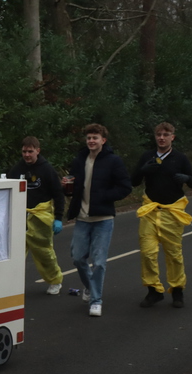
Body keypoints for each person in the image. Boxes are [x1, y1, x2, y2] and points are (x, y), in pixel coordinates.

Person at [66, 124, 132, 317]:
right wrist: (66, 187)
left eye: (95, 138)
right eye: (89, 138)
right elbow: (74, 185)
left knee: (99, 261)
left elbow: (125, 187)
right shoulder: (79, 159)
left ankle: (96, 301)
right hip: (82, 217)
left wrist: (105, 196)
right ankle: (90, 286)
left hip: (103, 218)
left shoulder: (113, 161)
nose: (91, 141)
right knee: (78, 258)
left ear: (103, 140)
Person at [131, 122, 192, 308]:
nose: (161, 138)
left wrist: (186, 178)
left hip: (172, 212)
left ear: (172, 137)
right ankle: (154, 290)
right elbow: (133, 181)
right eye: (159, 134)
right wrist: (143, 170)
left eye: (166, 134)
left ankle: (177, 290)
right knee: (147, 252)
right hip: (150, 210)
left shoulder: (180, 158)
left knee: (174, 254)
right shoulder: (147, 156)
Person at [7, 136, 65, 294]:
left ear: (37, 151)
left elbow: (58, 194)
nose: (27, 155)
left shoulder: (47, 170)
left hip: (40, 218)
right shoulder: (17, 169)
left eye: (30, 152)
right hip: (20, 215)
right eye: (24, 151)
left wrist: (59, 218)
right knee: (15, 253)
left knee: (44, 252)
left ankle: (55, 281)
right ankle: (11, 285)